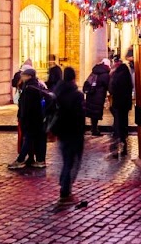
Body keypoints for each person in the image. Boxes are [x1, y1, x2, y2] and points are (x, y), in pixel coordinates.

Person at [52, 66, 86, 206]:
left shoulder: (57, 92)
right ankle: (65, 193)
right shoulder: (76, 95)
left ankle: (64, 187)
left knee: (66, 161)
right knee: (70, 163)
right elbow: (79, 116)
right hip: (73, 133)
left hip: (62, 132)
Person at [9, 65, 52, 169]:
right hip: (40, 119)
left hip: (31, 120)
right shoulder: (38, 85)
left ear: (28, 76)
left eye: (23, 75)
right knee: (40, 140)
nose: (21, 77)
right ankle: (40, 160)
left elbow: (26, 107)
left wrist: (23, 118)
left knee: (28, 139)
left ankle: (20, 160)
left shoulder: (29, 89)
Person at [107, 53, 134, 158]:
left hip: (119, 103)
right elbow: (130, 86)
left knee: (119, 122)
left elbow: (112, 88)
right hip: (125, 103)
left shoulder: (117, 74)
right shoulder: (126, 72)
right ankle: (123, 140)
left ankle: (120, 141)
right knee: (123, 121)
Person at [82, 60, 110, 137]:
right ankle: (94, 129)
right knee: (96, 112)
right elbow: (108, 85)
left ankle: (93, 128)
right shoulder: (105, 74)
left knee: (92, 112)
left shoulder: (94, 71)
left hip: (91, 94)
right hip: (99, 96)